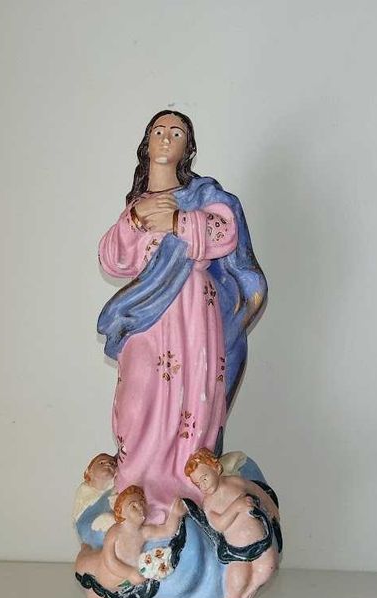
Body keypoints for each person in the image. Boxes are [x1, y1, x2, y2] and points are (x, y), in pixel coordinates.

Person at [97, 110, 267, 523]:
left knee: (192, 389)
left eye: (176, 133)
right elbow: (113, 258)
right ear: (146, 144)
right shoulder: (136, 206)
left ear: (188, 147)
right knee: (138, 393)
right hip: (146, 312)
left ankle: (186, 486)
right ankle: (136, 481)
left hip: (192, 306)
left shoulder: (201, 194)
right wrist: (138, 218)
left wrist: (176, 220)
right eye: (159, 131)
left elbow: (225, 232)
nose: (166, 138)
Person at [184, 448, 279, 598]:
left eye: (204, 478)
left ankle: (254, 585)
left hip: (261, 540)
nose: (203, 485)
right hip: (237, 550)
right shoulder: (209, 503)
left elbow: (256, 490)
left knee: (269, 567)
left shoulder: (235, 482)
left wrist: (271, 507)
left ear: (216, 468)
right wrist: (237, 507)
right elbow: (219, 525)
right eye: (198, 484)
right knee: (237, 579)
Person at [75, 486, 185, 598]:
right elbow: (109, 559)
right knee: (83, 565)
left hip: (123, 581)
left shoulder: (143, 532)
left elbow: (167, 531)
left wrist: (175, 514)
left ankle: (101, 594)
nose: (140, 508)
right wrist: (129, 573)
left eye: (142, 504)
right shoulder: (116, 531)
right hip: (107, 572)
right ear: (120, 512)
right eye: (134, 506)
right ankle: (85, 552)